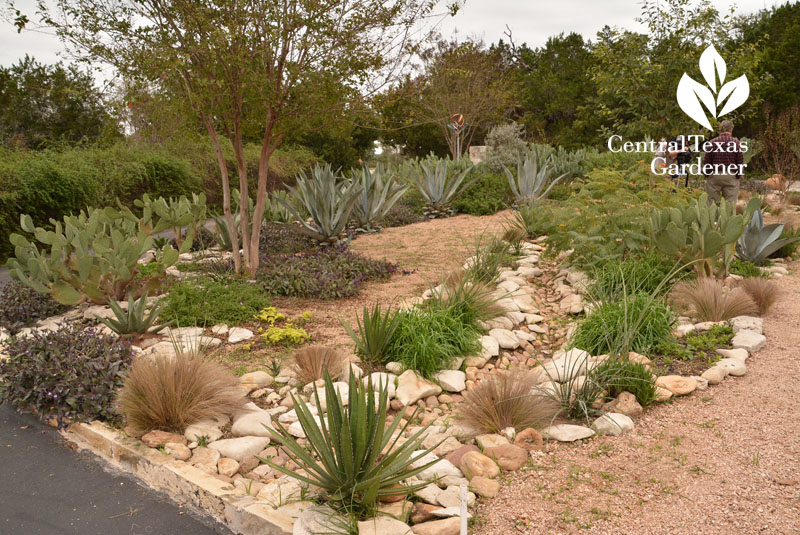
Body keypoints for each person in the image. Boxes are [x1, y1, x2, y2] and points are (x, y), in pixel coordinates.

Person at [702, 119, 744, 206]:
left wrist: (708, 175)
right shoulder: (736, 143)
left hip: (715, 175)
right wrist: (738, 175)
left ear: (720, 130)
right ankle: (728, 219)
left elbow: (707, 161)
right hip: (731, 176)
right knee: (730, 205)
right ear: (731, 130)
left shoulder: (712, 142)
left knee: (711, 204)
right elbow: (740, 162)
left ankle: (711, 219)